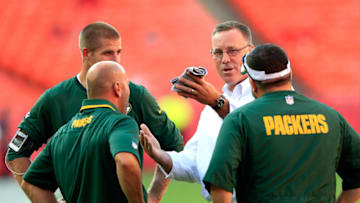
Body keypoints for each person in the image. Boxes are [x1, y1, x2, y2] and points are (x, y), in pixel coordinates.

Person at [5, 22, 183, 201]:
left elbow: (173, 145)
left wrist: (153, 197)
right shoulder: (55, 99)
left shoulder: (135, 94)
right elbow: (16, 153)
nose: (116, 60)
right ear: (86, 53)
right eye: (108, 53)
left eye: (118, 52)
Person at [203, 43, 360, 203]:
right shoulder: (330, 116)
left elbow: (220, 184)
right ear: (289, 73)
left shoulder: (240, 119)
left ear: (253, 83)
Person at [140, 21, 255, 202]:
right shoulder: (210, 111)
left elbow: (255, 130)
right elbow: (193, 162)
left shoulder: (266, 94)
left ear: (250, 51)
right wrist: (159, 153)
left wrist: (216, 102)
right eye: (217, 52)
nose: (225, 59)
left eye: (232, 51)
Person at [21, 61, 145, 203]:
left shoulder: (61, 134)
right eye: (127, 86)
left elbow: (31, 184)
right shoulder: (120, 122)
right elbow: (126, 162)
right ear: (117, 88)